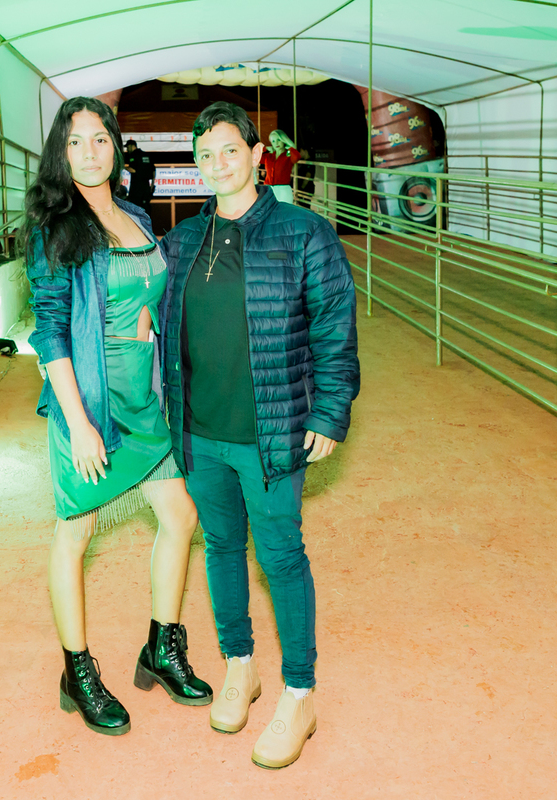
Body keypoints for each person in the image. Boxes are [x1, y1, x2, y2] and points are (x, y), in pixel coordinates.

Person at [159, 102, 359, 769]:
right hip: (200, 433)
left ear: (254, 154)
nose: (218, 164)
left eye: (229, 150)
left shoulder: (304, 234)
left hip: (270, 434)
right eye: (205, 155)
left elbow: (335, 326)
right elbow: (160, 320)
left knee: (280, 557)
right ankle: (239, 665)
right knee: (220, 546)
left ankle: (300, 693)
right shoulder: (184, 240)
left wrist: (329, 412)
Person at [23, 97, 211, 737]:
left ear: (116, 145)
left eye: (99, 139)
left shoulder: (135, 216)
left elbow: (150, 289)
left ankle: (161, 648)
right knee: (74, 532)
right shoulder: (54, 227)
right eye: (75, 142)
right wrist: (78, 424)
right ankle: (76, 673)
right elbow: (50, 331)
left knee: (180, 516)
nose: (89, 152)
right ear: (60, 152)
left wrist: (149, 318)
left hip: (144, 398)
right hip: (91, 402)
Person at [258, 129, 301, 203]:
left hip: (283, 190)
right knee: (268, 209)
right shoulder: (269, 156)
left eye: (279, 140)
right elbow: (256, 157)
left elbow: (297, 157)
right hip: (268, 189)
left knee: (284, 210)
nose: (276, 143)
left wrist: (290, 147)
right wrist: (265, 148)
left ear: (283, 140)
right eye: (273, 141)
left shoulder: (288, 156)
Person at [124, 138, 155, 216]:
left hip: (137, 187)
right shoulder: (146, 155)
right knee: (146, 208)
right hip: (146, 186)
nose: (127, 150)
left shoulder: (133, 155)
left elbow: (133, 170)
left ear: (132, 146)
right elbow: (153, 171)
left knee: (135, 208)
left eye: (128, 147)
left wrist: (122, 167)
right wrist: (152, 185)